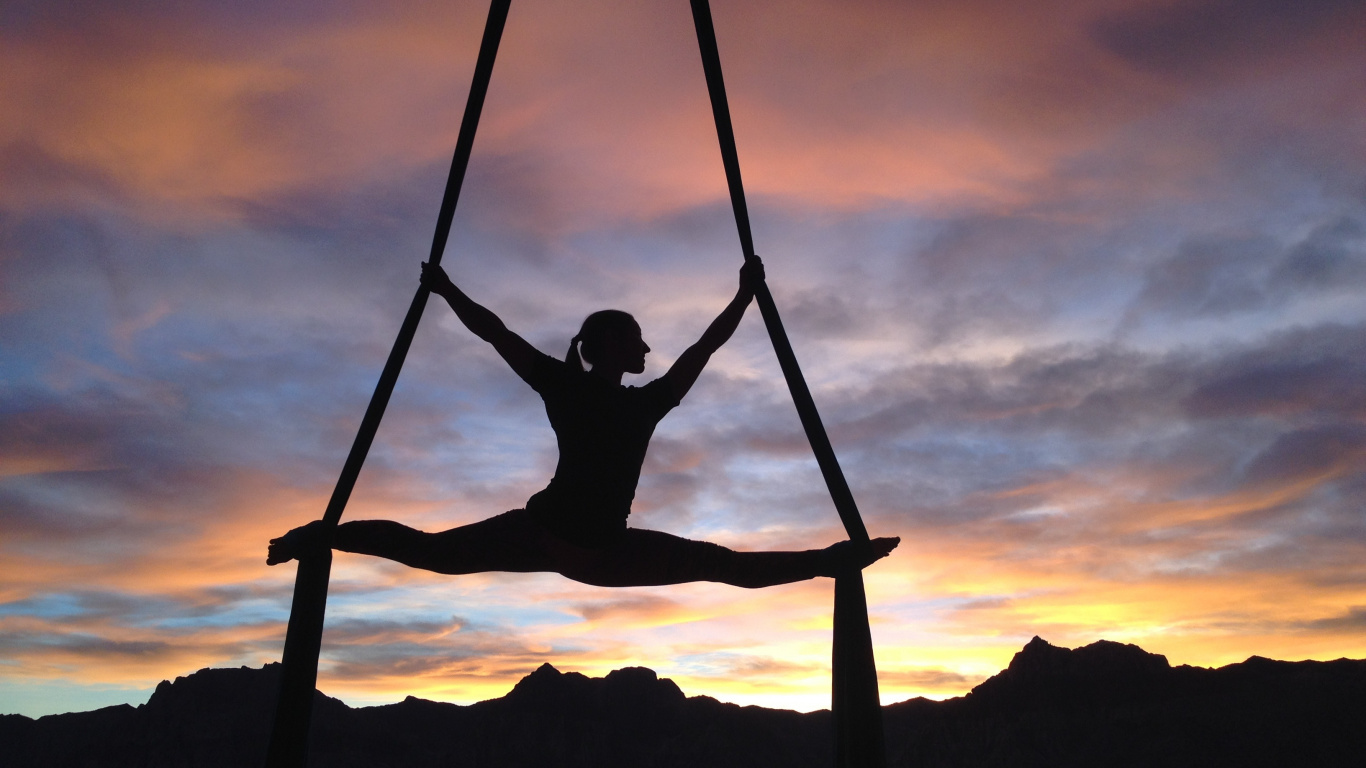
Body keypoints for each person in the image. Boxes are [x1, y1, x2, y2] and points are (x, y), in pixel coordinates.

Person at [268, 258, 898, 588]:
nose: (649, 350)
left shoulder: (610, 394)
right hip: (564, 538)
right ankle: (319, 535)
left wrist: (745, 298)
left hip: (586, 544)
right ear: (613, 348)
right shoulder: (607, 394)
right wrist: (444, 289)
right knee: (434, 553)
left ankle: (835, 561)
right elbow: (497, 334)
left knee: (723, 565)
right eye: (639, 341)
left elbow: (701, 348)